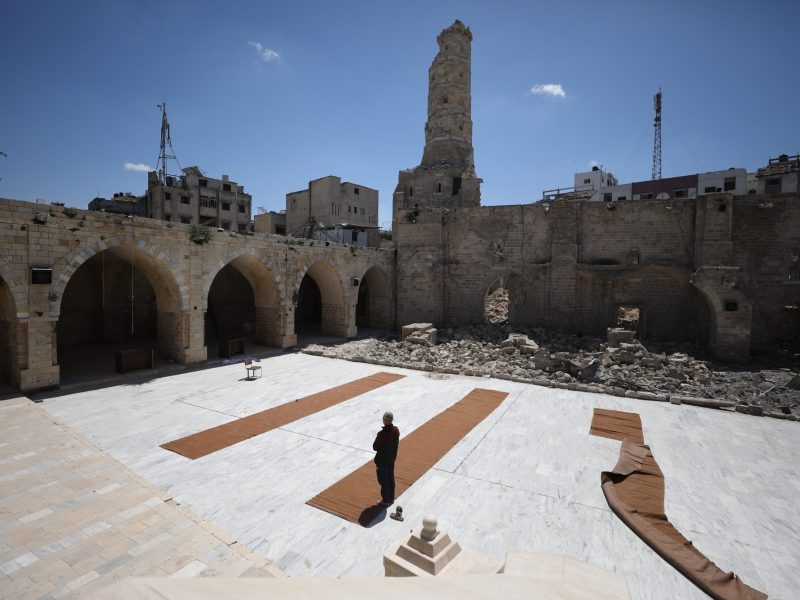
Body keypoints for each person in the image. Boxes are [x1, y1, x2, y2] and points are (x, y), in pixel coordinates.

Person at [373, 411, 399, 506]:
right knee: (390, 478)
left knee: (383, 480)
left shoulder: (382, 434)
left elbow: (375, 447)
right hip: (391, 459)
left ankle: (386, 500)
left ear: (385, 420)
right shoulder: (396, 430)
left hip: (382, 461)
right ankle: (391, 497)